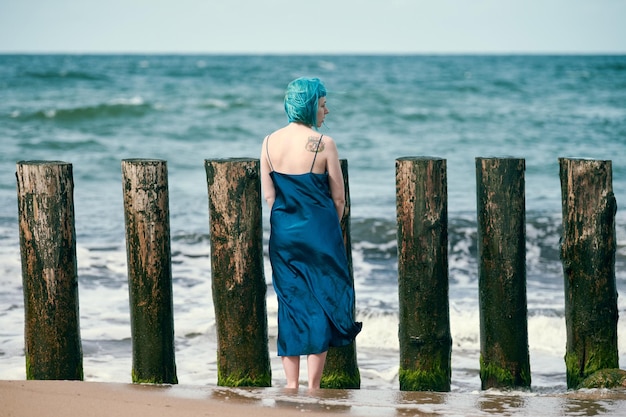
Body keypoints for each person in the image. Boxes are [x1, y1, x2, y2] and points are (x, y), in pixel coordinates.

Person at [260, 77, 362, 390]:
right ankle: (314, 386)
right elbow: (339, 198)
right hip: (320, 234)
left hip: (284, 236)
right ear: (309, 105)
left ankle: (291, 384)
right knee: (321, 302)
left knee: (290, 303)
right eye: (322, 104)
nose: (327, 111)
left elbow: (269, 197)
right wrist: (332, 229)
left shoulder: (267, 143)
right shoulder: (323, 143)